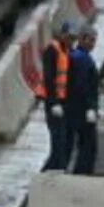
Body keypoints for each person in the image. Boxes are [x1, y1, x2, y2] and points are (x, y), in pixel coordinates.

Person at [37, 21, 75, 172]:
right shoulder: (52, 50)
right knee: (58, 140)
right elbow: (49, 78)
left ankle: (54, 170)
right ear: (63, 34)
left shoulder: (66, 51)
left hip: (63, 102)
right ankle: (50, 172)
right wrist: (53, 103)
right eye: (69, 37)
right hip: (53, 103)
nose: (71, 41)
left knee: (62, 140)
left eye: (73, 38)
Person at [66, 28, 101, 175]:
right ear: (81, 39)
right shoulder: (82, 59)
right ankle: (82, 173)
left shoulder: (76, 56)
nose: (92, 44)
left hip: (74, 108)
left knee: (77, 144)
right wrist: (90, 108)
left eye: (94, 40)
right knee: (88, 145)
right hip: (81, 110)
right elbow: (83, 86)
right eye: (90, 40)